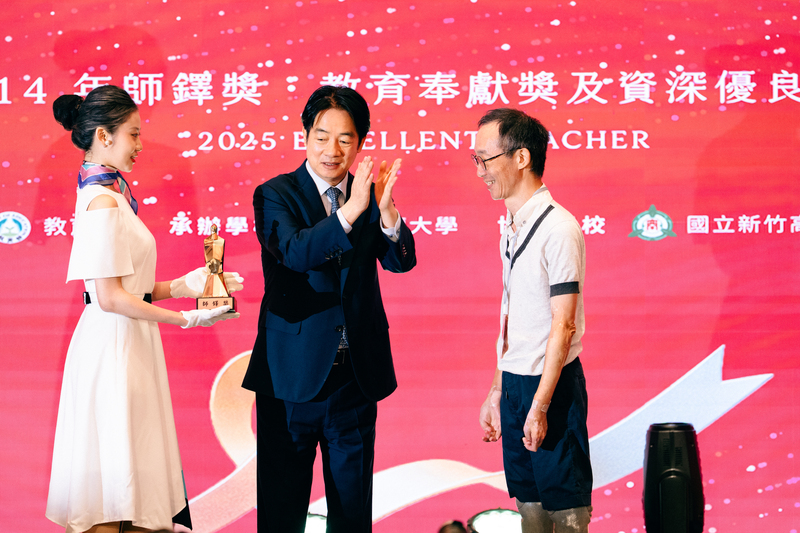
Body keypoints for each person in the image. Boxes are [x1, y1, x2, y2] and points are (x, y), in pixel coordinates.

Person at [46, 85, 243, 533]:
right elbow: (111, 297)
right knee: (113, 493)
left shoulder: (111, 195)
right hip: (114, 348)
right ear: (104, 135)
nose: (140, 144)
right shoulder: (101, 199)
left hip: (127, 345)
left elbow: (129, 287)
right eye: (133, 134)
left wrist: (185, 285)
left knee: (131, 487)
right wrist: (188, 318)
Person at [242, 85, 417, 533]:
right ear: (305, 134)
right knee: (281, 514)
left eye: (345, 139)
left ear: (359, 144)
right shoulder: (275, 194)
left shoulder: (369, 193)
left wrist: (388, 215)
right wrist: (351, 212)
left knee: (352, 515)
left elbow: (401, 261)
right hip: (289, 380)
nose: (332, 150)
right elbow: (296, 253)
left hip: (353, 380)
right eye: (322, 135)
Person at [475, 109, 593, 532]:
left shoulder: (559, 228)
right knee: (529, 506)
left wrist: (541, 405)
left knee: (565, 511)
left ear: (521, 157)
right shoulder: (510, 226)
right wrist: (496, 388)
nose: (480, 172)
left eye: (485, 160)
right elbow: (512, 315)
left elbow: (564, 325)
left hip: (552, 385)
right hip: (515, 383)